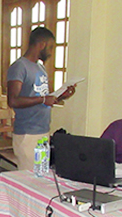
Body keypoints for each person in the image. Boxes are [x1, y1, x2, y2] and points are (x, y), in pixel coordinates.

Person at [7, 27, 76, 171]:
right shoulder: (19, 67)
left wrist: (62, 95)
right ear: (42, 44)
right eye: (50, 47)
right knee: (29, 178)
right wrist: (43, 100)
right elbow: (13, 100)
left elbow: (42, 99)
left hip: (43, 132)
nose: (51, 52)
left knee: (40, 176)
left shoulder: (40, 68)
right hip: (27, 134)